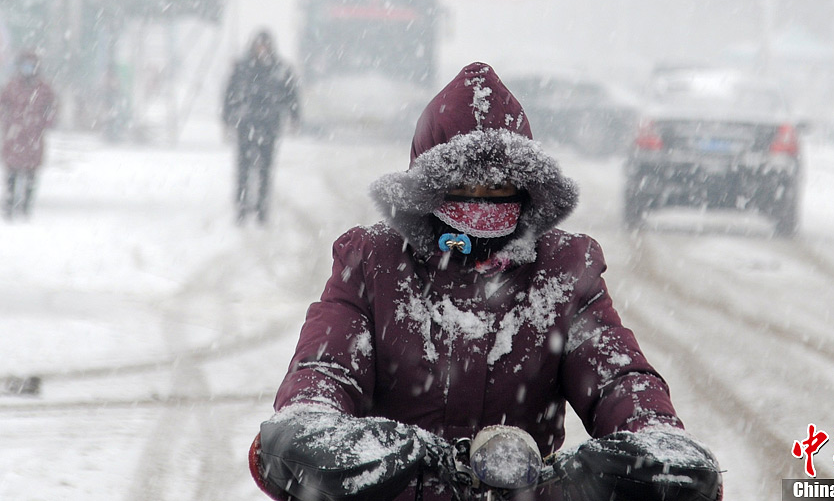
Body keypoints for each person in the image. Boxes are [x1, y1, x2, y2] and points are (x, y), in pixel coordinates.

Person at [249, 62, 723, 501]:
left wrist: (653, 434)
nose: (481, 203)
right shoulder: (373, 262)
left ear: (526, 190)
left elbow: (618, 377)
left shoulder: (563, 270)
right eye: (463, 186)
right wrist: (312, 430)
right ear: (429, 190)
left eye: (498, 188)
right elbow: (326, 368)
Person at [222, 30, 300, 225]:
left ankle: (261, 210)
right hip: (245, 124)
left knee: (265, 169)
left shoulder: (280, 69)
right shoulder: (242, 68)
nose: (262, 49)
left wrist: (294, 116)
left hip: (269, 126)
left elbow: (292, 95)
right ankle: (241, 208)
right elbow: (229, 94)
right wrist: (227, 118)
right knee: (243, 168)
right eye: (259, 45)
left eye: (265, 45)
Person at [0, 50, 57, 220]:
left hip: (34, 137)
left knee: (31, 173)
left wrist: (45, 122)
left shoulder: (43, 89)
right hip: (14, 136)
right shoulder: (12, 86)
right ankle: (10, 203)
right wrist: (7, 121)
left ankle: (26, 205)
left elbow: (51, 108)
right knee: (12, 172)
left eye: (31, 65)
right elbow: (3, 105)